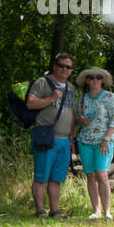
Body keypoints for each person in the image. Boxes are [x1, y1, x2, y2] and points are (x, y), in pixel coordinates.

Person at [25, 54, 76, 218]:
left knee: (57, 178)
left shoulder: (71, 88)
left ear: (71, 70)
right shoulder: (43, 82)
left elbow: (72, 113)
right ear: (55, 66)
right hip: (46, 135)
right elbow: (30, 103)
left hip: (64, 139)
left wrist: (71, 137)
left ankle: (55, 211)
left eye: (68, 67)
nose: (64, 69)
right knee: (42, 175)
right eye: (61, 65)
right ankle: (40, 211)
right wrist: (52, 98)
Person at [73, 67, 114, 219]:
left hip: (103, 142)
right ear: (86, 80)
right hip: (85, 141)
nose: (95, 80)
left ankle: (107, 212)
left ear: (102, 80)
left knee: (102, 174)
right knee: (91, 176)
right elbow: (78, 119)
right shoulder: (82, 98)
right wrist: (80, 120)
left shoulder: (109, 97)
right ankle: (96, 211)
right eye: (91, 77)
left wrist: (107, 139)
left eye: (98, 77)